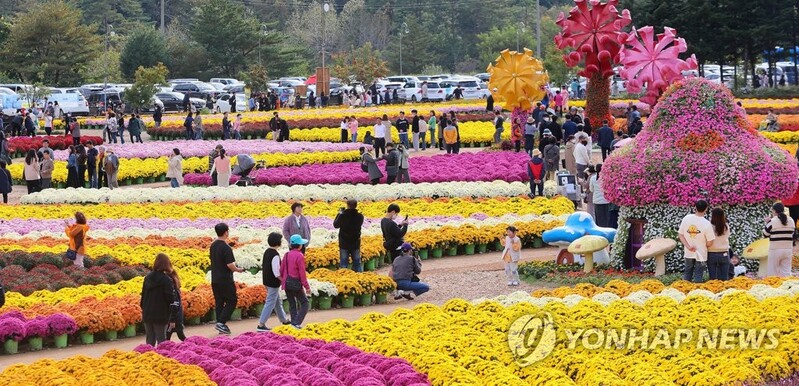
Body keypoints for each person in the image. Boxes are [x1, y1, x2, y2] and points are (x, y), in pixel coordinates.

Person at [209, 223, 245, 335]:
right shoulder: (226, 247)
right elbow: (230, 265)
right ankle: (221, 322)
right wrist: (238, 269)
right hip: (225, 279)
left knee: (219, 301)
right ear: (226, 232)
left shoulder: (213, 245)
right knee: (232, 300)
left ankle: (221, 325)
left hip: (215, 279)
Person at [141, 253, 178, 346]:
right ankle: (161, 359)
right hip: (161, 314)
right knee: (161, 340)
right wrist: (172, 315)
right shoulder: (166, 280)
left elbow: (143, 297)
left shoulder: (147, 278)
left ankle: (148, 358)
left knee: (149, 340)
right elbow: (170, 298)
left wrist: (144, 309)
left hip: (147, 313)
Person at [256, 233, 291, 332]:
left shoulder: (267, 251)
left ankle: (284, 320)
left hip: (267, 281)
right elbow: (276, 272)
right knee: (270, 302)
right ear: (278, 242)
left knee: (277, 302)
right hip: (273, 282)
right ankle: (261, 324)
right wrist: (284, 279)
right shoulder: (275, 255)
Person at [678, 200, 714, 283]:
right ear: (706, 209)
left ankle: (684, 291)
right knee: (699, 275)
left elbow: (681, 235)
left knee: (687, 274)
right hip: (701, 253)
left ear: (695, 208)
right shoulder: (707, 224)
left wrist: (688, 246)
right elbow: (710, 242)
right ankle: (697, 293)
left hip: (688, 252)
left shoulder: (686, 218)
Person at [281, 234, 310, 329]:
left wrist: (283, 281)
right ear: (300, 245)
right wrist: (307, 287)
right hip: (296, 283)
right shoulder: (300, 256)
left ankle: (294, 322)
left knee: (292, 303)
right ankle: (296, 322)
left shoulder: (286, 254)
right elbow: (302, 273)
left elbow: (282, 270)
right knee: (305, 303)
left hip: (287, 283)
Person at [764, 202, 795, 277]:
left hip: (775, 249)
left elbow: (765, 234)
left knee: (772, 273)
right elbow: (792, 234)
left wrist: (767, 222)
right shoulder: (791, 220)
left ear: (774, 211)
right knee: (786, 273)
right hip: (788, 249)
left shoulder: (772, 221)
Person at [334, 199, 365, 271]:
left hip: (344, 243)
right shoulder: (360, 216)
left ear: (347, 205)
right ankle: (359, 278)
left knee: (344, 264)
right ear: (356, 205)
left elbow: (335, 225)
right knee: (357, 263)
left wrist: (339, 214)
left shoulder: (343, 216)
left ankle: (344, 279)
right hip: (355, 243)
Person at [707, 208, 731, 281]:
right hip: (724, 253)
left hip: (711, 253)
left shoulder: (709, 226)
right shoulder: (726, 226)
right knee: (724, 278)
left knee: (713, 279)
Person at [165, 267, 186, 342]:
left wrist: (172, 320)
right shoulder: (176, 285)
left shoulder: (171, 287)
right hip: (177, 314)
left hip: (173, 316)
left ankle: (191, 346)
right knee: (179, 334)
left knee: (168, 335)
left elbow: (174, 303)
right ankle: (191, 345)